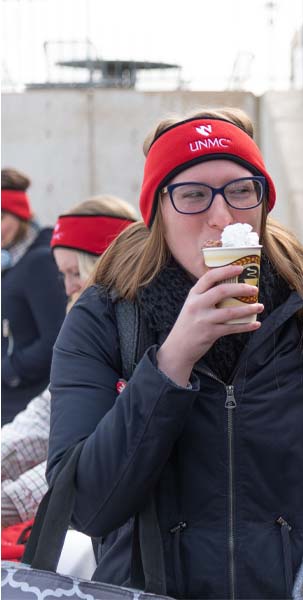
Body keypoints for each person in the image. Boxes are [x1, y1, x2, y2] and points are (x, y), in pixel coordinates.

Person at [47, 108, 303, 599]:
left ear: (264, 204)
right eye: (192, 196)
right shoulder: (104, 316)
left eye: (241, 190)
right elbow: (86, 507)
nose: (222, 217)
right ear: (156, 213)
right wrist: (172, 362)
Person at [2, 194, 136, 579]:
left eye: (74, 273)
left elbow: (89, 452)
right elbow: (45, 415)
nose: (66, 286)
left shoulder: (131, 328)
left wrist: (7, 503)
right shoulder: (88, 320)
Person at [1, 168, 68, 424]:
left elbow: (57, 338)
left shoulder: (38, 261)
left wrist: (9, 370)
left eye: (2, 216)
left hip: (27, 402)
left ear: (21, 214)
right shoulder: (12, 260)